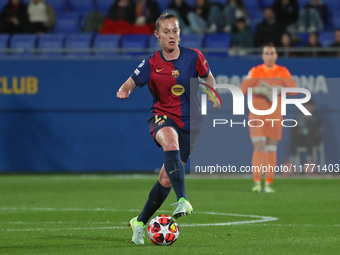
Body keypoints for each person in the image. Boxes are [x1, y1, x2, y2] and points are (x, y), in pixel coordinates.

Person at [117, 12, 220, 244]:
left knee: (165, 179)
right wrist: (125, 90)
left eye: (175, 31)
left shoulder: (194, 57)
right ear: (157, 35)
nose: (171, 35)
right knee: (169, 143)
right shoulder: (151, 62)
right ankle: (183, 198)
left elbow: (209, 77)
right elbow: (131, 81)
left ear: (180, 34)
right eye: (166, 32)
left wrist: (212, 93)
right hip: (163, 116)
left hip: (191, 124)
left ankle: (140, 223)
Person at [240, 43, 297, 193]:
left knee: (271, 148)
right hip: (258, 114)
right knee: (259, 146)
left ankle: (269, 183)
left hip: (276, 115)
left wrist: (278, 89)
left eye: (272, 53)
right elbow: (243, 89)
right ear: (263, 55)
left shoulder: (282, 71)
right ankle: (257, 182)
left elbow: (293, 90)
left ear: (276, 55)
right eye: (267, 53)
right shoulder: (256, 71)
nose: (270, 56)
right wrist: (259, 89)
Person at [289, 99, 322, 171]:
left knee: (309, 135)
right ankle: (292, 160)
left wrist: (309, 120)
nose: (308, 108)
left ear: (313, 107)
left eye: (310, 106)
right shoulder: (299, 116)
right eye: (306, 106)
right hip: (301, 139)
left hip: (313, 139)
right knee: (294, 136)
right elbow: (293, 129)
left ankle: (310, 159)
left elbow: (316, 129)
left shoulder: (316, 117)